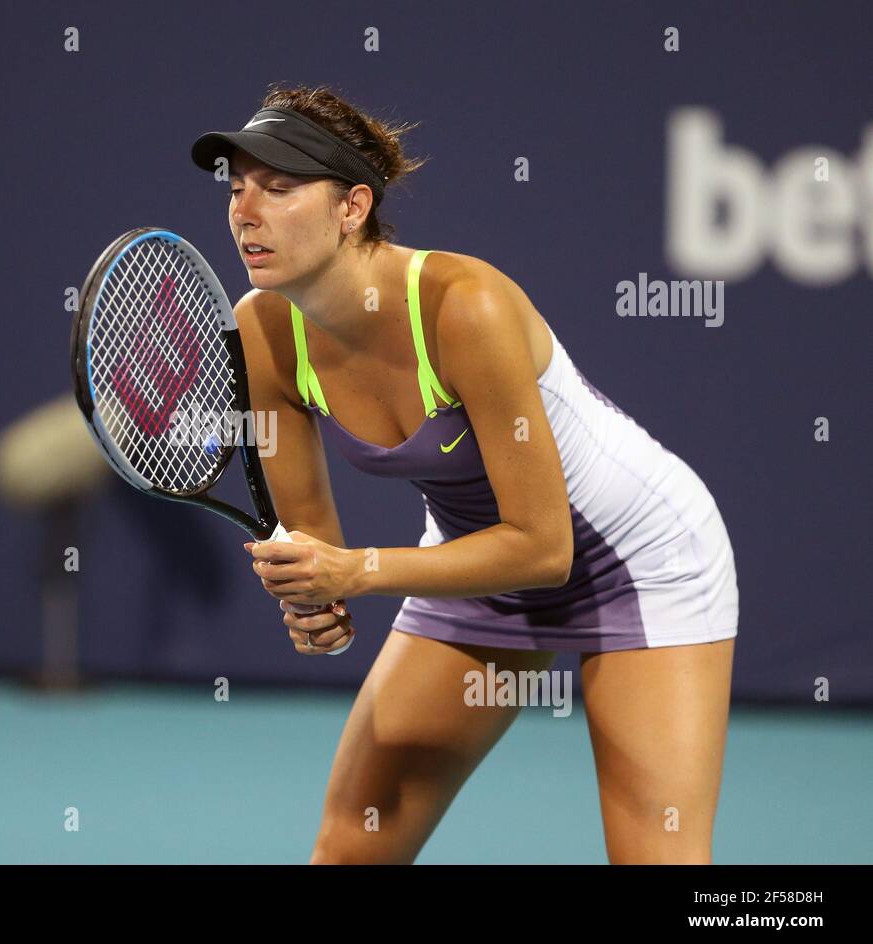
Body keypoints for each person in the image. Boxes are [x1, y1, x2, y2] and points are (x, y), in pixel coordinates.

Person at [190, 85, 739, 864]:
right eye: (238, 187)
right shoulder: (262, 332)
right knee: (353, 845)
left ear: (352, 207)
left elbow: (545, 550)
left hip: (642, 566)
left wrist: (358, 570)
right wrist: (320, 596)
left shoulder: (463, 305)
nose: (245, 210)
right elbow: (319, 547)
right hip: (480, 569)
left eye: (279, 188)